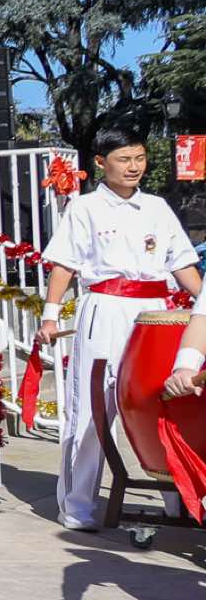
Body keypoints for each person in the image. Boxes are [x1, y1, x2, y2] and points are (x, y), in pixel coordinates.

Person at [37, 128, 202, 529]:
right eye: (124, 159)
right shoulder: (85, 208)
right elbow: (65, 265)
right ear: (100, 162)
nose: (134, 167)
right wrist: (50, 315)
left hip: (156, 315)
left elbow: (181, 263)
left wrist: (203, 302)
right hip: (106, 309)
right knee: (93, 410)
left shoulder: (157, 207)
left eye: (140, 158)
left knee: (161, 402)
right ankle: (77, 506)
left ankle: (176, 501)